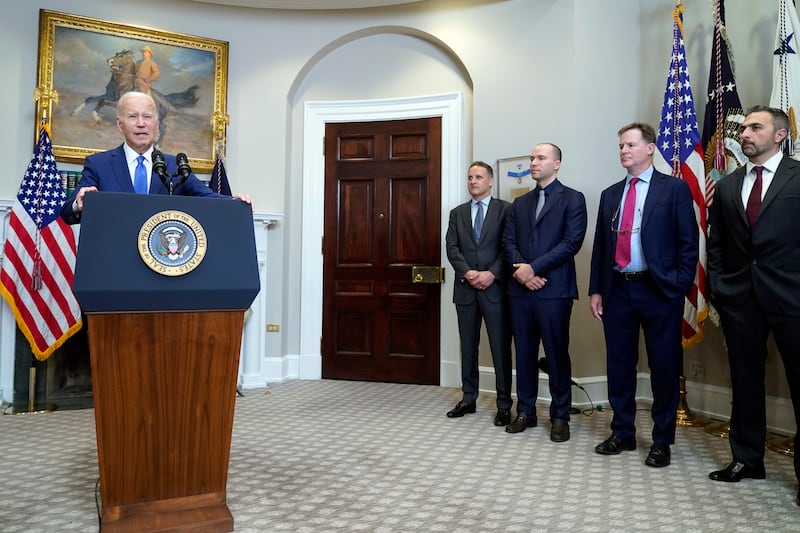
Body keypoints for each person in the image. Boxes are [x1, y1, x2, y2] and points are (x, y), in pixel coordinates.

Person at [588, 122, 698, 467]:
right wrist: (596, 289)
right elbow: (601, 247)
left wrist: (677, 285)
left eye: (631, 145)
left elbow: (688, 243)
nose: (624, 151)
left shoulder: (674, 190)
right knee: (619, 364)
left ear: (650, 148)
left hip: (658, 289)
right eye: (621, 145)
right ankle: (622, 432)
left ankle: (662, 440)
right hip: (618, 288)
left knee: (663, 366)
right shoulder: (610, 194)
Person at [707, 105, 800, 507]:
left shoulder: (798, 177)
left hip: (793, 298)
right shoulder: (727, 186)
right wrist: (719, 287)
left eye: (755, 127)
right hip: (740, 298)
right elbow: (718, 244)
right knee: (745, 382)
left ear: (779, 135)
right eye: (744, 127)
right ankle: (747, 459)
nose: (745, 133)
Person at [60, 91, 250, 225]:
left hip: (162, 263)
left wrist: (233, 201)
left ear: (157, 123)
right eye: (133, 116)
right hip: (114, 263)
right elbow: (67, 213)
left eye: (147, 117)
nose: (141, 123)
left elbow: (206, 196)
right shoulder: (99, 164)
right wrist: (79, 203)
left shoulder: (175, 165)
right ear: (120, 124)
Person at [502, 143, 587, 442]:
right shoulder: (519, 204)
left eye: (541, 158)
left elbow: (571, 242)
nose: (533, 162)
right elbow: (508, 242)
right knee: (523, 354)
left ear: (557, 163)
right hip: (521, 292)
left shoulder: (573, 199)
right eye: (532, 158)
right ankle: (525, 411)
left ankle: (560, 416)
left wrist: (533, 269)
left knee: (555, 355)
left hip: (555, 291)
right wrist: (524, 274)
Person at [445, 161, 513, 426]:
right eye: (470, 177)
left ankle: (504, 403)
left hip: (495, 290)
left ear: (491, 181)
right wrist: (468, 273)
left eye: (479, 177)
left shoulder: (505, 210)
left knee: (499, 348)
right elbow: (452, 248)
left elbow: (508, 247)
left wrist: (491, 273)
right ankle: (468, 398)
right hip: (465, 290)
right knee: (468, 347)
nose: (473, 181)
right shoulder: (457, 213)